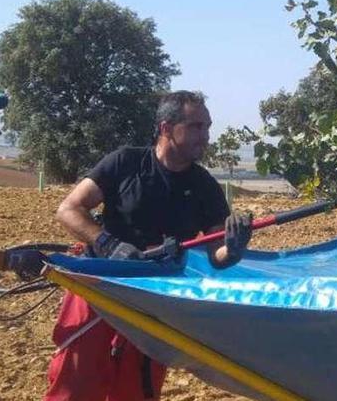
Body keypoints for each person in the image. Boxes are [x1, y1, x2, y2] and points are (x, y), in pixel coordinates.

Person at [45, 90, 252, 401]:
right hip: (98, 289)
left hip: (153, 302)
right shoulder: (125, 162)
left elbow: (217, 255)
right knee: (75, 386)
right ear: (166, 128)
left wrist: (233, 249)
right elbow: (69, 209)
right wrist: (108, 244)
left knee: (136, 392)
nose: (206, 136)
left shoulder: (204, 186)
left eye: (207, 127)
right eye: (196, 127)